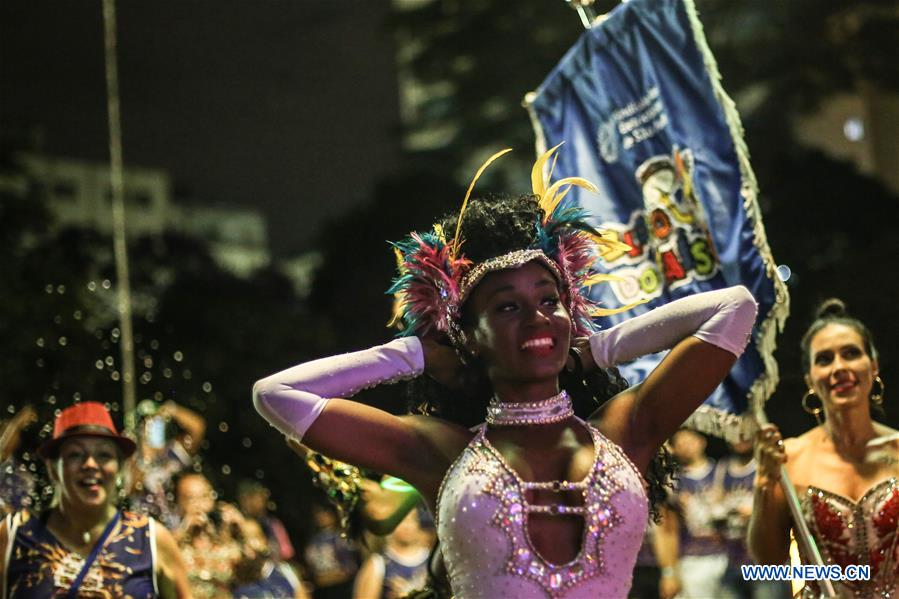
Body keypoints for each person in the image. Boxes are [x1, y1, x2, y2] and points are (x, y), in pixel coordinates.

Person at [253, 146, 757, 598]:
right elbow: (278, 394)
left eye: (548, 299)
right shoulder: (441, 451)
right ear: (470, 335)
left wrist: (595, 349)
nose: (538, 316)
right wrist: (420, 354)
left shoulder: (627, 430)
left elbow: (735, 308)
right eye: (508, 307)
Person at [749, 299, 894, 597]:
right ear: (810, 380)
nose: (839, 367)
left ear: (873, 365)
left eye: (851, 354)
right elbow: (768, 564)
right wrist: (764, 483)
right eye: (825, 359)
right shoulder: (788, 458)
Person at [0, 401, 191, 598]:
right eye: (75, 454)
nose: (91, 464)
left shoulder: (151, 541)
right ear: (52, 468)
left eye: (104, 455)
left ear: (119, 468)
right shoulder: (15, 536)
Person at [173, 472, 266, 599]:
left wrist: (242, 528)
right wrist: (183, 531)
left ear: (213, 499)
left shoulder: (225, 542)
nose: (199, 504)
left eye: (204, 496)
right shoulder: (173, 541)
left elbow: (257, 570)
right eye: (191, 498)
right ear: (179, 504)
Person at [668, 428, 729, 598]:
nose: (686, 446)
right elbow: (668, 527)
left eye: (690, 441)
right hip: (692, 559)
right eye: (680, 444)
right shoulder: (673, 482)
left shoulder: (723, 471)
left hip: (727, 555)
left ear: (702, 441)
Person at [129, 400, 206, 530]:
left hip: (176, 528)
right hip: (145, 529)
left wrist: (171, 410)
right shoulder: (133, 459)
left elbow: (198, 427)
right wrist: (146, 457)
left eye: (158, 424)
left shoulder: (173, 452)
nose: (153, 429)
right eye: (147, 424)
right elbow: (130, 490)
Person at [353, 508, 433, 599]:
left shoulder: (431, 559)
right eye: (401, 521)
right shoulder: (379, 563)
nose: (407, 526)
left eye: (412, 519)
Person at [0, 405, 37, 516]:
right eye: (3, 431)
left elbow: (21, 514)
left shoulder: (24, 477)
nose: (5, 436)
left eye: (13, 433)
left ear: (18, 441)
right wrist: (17, 423)